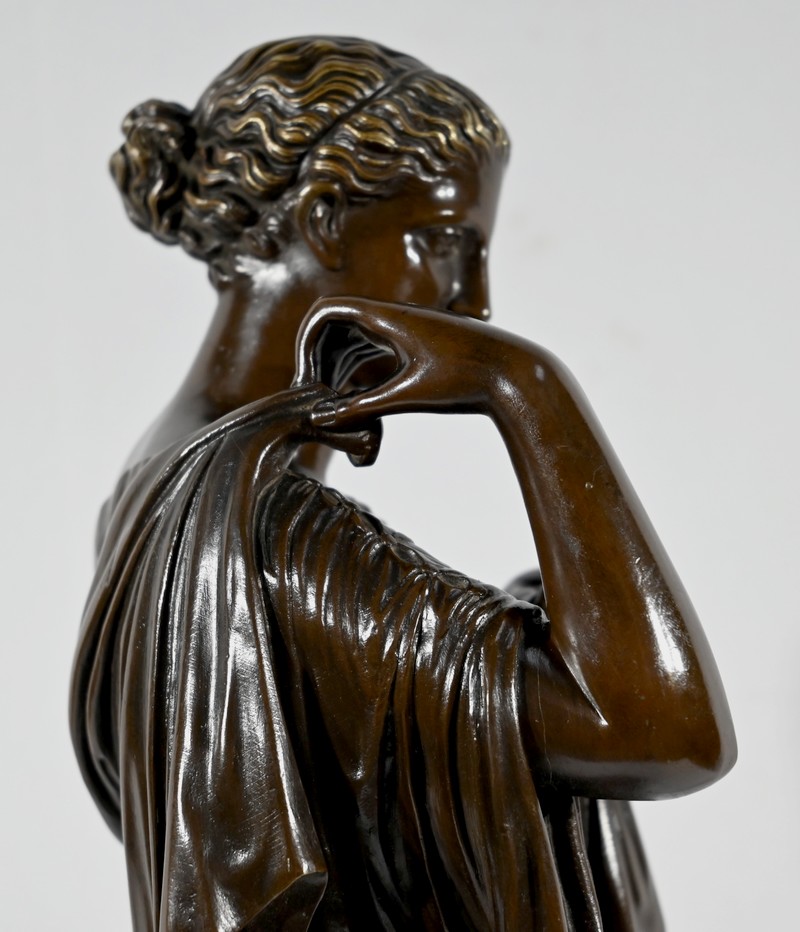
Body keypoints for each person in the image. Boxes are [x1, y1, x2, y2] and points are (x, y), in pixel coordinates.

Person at [70, 37, 736, 931]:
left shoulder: (151, 485)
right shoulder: (275, 536)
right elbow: (663, 732)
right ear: (325, 219)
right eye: (447, 242)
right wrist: (528, 388)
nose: (475, 302)